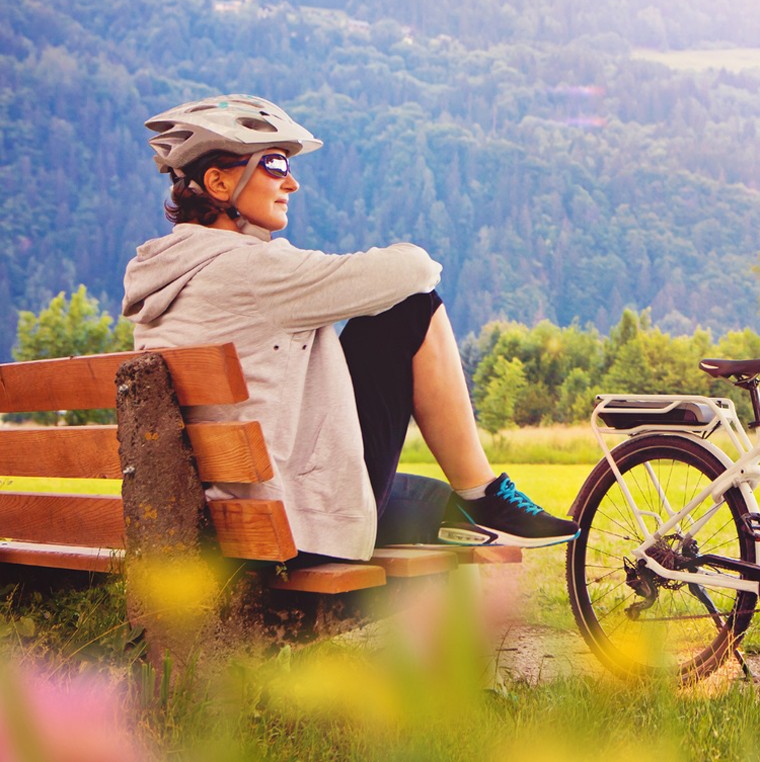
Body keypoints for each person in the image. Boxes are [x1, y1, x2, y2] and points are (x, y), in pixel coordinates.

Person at [121, 94, 576, 563]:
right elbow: (415, 268)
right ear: (217, 182)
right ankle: (483, 493)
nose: (292, 183)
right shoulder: (253, 271)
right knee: (410, 308)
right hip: (287, 531)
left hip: (222, 520)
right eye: (275, 164)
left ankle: (466, 514)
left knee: (431, 502)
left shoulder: (164, 277)